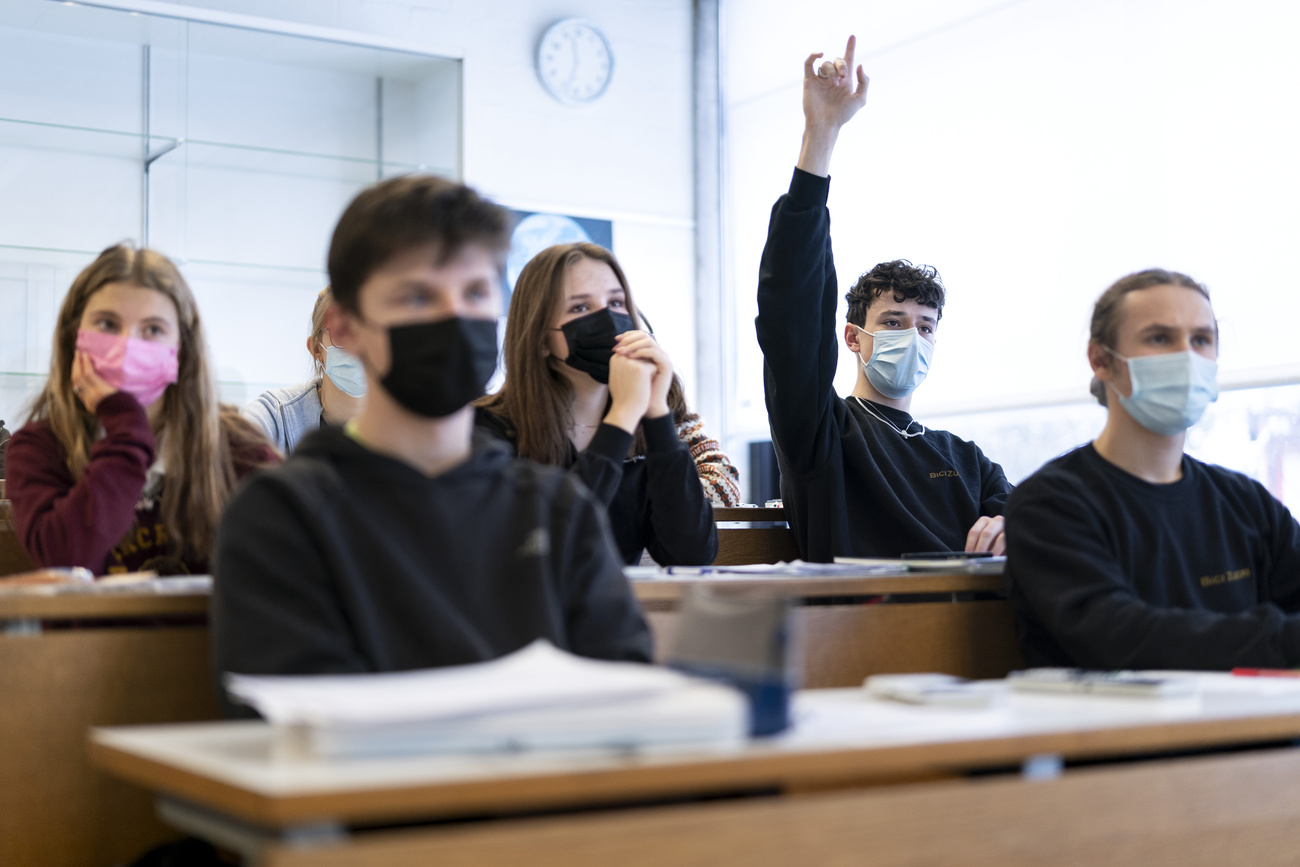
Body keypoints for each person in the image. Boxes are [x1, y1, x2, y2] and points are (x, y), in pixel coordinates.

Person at [213, 176, 651, 691]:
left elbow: (627, 695)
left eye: (475, 293)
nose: (454, 318)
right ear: (346, 327)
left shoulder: (556, 509)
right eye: (418, 296)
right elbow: (300, 716)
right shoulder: (283, 516)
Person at [755, 36, 1012, 562]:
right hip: (863, 613)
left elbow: (1035, 528)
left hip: (967, 613)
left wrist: (1015, 526)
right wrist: (821, 135)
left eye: (925, 326)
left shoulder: (968, 461)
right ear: (853, 337)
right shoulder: (822, 433)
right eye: (894, 322)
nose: (912, 337)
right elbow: (791, 314)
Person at [1005, 269, 1300, 670]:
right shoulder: (1049, 504)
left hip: (1257, 712)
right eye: (1160, 338)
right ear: (1101, 360)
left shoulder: (1247, 503)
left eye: (1201, 340)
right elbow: (1124, 639)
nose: (1186, 357)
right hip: (1115, 713)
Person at [5, 244, 278, 576]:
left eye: (153, 330)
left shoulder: (238, 448)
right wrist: (126, 430)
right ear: (73, 335)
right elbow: (65, 558)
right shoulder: (39, 449)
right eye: (108, 324)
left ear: (182, 349)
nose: (127, 346)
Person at [475, 242, 727, 566]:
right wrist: (621, 417)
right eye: (580, 308)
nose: (608, 319)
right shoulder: (488, 431)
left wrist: (656, 414)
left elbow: (691, 555)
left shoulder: (645, 429)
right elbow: (547, 551)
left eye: (616, 302)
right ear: (540, 339)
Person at [244, 286, 366, 454]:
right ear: (317, 349)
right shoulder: (276, 416)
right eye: (342, 332)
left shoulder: (401, 423)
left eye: (369, 331)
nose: (357, 347)